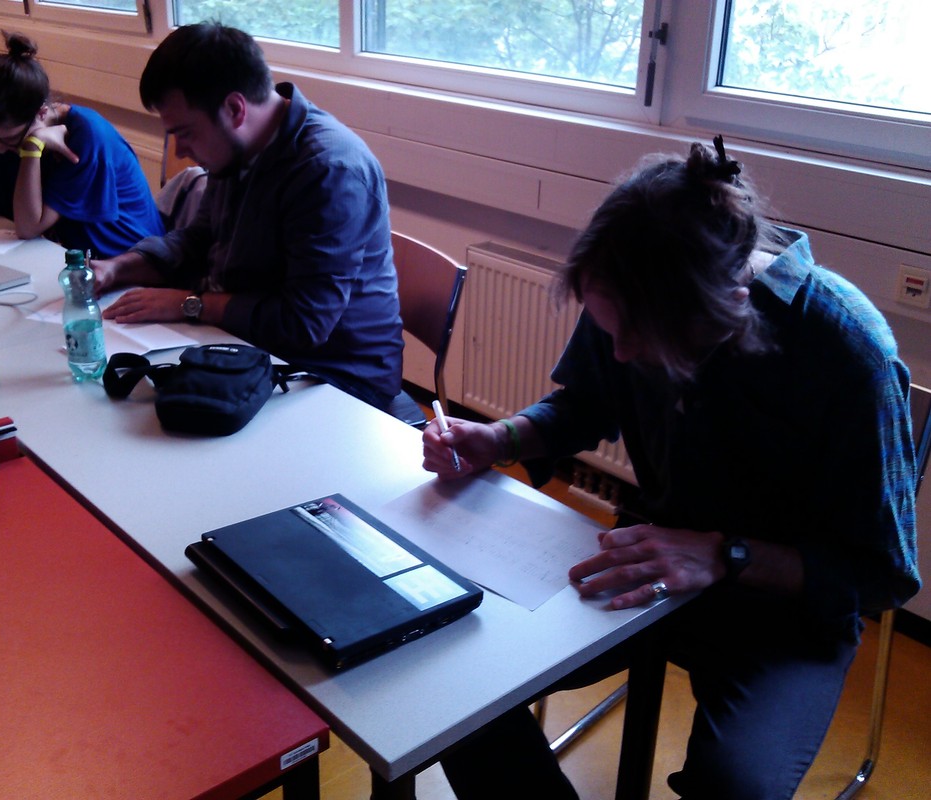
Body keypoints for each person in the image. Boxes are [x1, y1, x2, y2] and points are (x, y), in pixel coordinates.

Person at [423, 138, 921, 799]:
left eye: (639, 338)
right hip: (651, 565)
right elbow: (585, 404)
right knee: (459, 691)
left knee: (733, 787)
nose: (621, 352)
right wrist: (499, 437)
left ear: (731, 305)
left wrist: (724, 554)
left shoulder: (847, 351)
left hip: (785, 618)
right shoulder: (633, 288)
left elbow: (882, 575)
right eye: (610, 330)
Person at [92, 23, 403, 410]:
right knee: (123, 398)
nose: (181, 151)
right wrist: (116, 269)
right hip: (254, 346)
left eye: (185, 133)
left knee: (160, 424)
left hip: (338, 376)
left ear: (235, 109)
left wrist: (189, 304)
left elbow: (303, 324)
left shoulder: (329, 170)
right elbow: (199, 239)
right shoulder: (238, 150)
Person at [0, 33, 163, 259]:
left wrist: (32, 147)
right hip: (66, 256)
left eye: (7, 140)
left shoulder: (86, 137)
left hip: (127, 261)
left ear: (41, 113)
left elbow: (28, 227)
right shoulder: (6, 131)